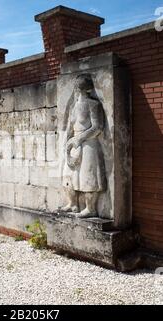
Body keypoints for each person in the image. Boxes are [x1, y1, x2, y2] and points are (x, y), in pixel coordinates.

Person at [61, 74, 106, 218]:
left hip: (89, 144)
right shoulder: (74, 106)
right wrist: (67, 145)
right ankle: (73, 204)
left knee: (88, 177)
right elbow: (70, 127)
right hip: (74, 144)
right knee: (69, 176)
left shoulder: (93, 104)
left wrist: (80, 138)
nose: (76, 88)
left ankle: (90, 208)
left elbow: (97, 127)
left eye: (78, 86)